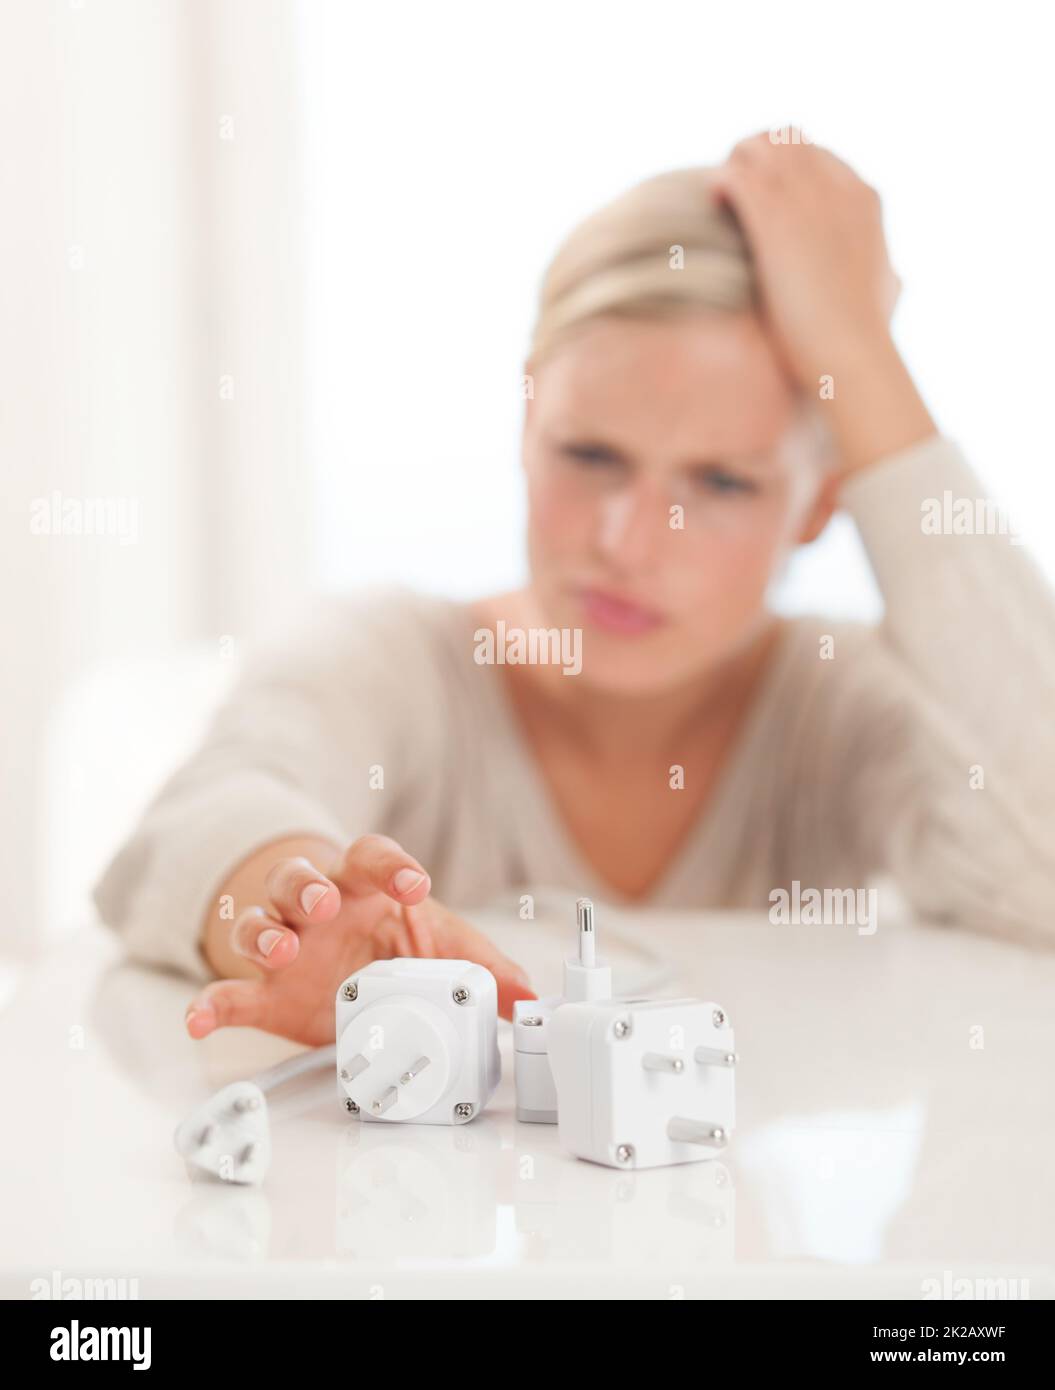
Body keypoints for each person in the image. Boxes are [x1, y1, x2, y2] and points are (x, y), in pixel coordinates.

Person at [94, 132, 1055, 1048]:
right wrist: (294, 916)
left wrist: (858, 355)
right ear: (525, 423)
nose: (627, 542)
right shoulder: (396, 661)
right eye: (590, 455)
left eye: (721, 483)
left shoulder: (845, 708)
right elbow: (205, 816)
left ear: (822, 504)